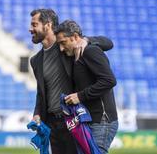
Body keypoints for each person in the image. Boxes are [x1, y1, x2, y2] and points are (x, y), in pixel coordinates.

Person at [29, 9, 113, 154]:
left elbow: (108, 43)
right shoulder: (35, 60)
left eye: (34, 24)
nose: (30, 29)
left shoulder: (68, 46)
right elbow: (41, 92)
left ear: (47, 25)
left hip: (73, 120)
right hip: (52, 124)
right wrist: (37, 113)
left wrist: (87, 40)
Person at [55, 20, 118, 154]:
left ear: (75, 37)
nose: (61, 48)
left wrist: (80, 96)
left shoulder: (90, 51)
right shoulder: (74, 55)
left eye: (63, 42)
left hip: (102, 121)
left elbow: (109, 80)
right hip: (89, 120)